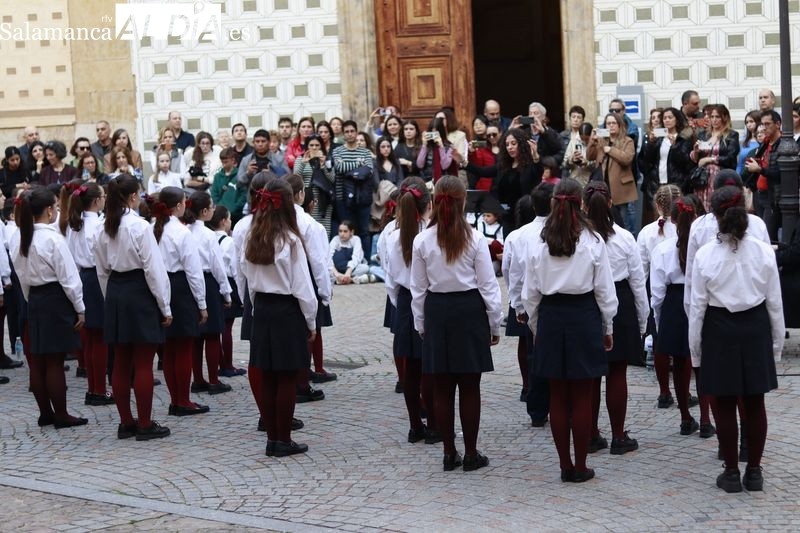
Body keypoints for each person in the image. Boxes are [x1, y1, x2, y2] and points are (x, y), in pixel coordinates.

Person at [521, 178, 618, 483]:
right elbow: (605, 290)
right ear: (581, 204)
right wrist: (608, 325)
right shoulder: (593, 241)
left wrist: (537, 326)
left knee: (558, 397)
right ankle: (580, 463)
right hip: (583, 316)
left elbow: (530, 293)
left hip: (551, 316)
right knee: (582, 395)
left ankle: (565, 465)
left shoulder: (538, 241)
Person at [689, 186, 784, 493]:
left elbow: (697, 308)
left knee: (725, 403)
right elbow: (775, 304)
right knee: (755, 402)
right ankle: (754, 471)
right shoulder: (763, 251)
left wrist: (696, 353)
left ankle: (731, 471)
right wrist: (776, 348)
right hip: (755, 326)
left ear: (715, 217)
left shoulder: (705, 255)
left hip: (720, 328)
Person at [410, 175, 502, 471]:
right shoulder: (475, 238)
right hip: (468, 309)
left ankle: (449, 452)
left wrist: (421, 323)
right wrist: (494, 322)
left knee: (443, 386)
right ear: (463, 201)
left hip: (438, 309)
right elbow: (489, 286)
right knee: (470, 385)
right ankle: (471, 453)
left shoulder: (422, 239)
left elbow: (418, 289)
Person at [239, 178, 318, 457]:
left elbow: (247, 279)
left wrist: (254, 306)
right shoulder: (290, 240)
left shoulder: (252, 236)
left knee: (269, 376)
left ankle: (273, 437)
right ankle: (283, 439)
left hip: (262, 309)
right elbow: (303, 287)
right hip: (286, 311)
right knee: (285, 378)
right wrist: (311, 322)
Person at [12, 186, 87, 428]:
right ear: (47, 210)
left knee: (39, 360)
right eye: (55, 206)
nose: (56, 210)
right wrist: (80, 307)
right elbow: (69, 278)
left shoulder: (21, 238)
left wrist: (30, 299)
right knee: (54, 361)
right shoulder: (53, 239)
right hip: (55, 298)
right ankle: (62, 414)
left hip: (35, 298)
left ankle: (45, 412)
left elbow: (22, 277)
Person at [583, 181, 648, 455]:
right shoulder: (624, 237)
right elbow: (638, 282)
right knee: (617, 372)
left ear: (584, 206)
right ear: (610, 203)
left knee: (591, 376)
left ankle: (592, 433)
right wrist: (643, 320)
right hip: (620, 302)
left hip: (588, 303)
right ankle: (619, 435)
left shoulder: (580, 238)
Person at [384, 177, 438, 445]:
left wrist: (401, 302)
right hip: (430, 299)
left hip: (405, 301)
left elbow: (390, 279)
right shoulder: (432, 234)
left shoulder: (391, 236)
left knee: (411, 370)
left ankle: (415, 424)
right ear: (428, 203)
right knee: (430, 368)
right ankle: (434, 423)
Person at [147, 187, 210, 417]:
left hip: (161, 286)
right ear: (179, 206)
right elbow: (194, 271)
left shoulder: (154, 229)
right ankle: (182, 400)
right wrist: (202, 304)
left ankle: (176, 399)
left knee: (170, 349)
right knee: (182, 348)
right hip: (180, 288)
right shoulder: (181, 233)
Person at [650, 195, 706, 436]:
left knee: (681, 365)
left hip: (673, 303)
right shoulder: (705, 249)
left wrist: (660, 320)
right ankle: (705, 419)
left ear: (671, 219)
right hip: (698, 298)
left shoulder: (662, 250)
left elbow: (658, 293)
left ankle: (686, 417)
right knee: (703, 366)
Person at [507, 182, 554, 424]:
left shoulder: (519, 235)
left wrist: (517, 305)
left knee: (535, 354)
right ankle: (546, 407)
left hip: (530, 300)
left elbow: (512, 273)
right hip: (549, 299)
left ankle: (538, 409)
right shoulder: (524, 235)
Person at [181, 191, 233, 395]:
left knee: (196, 336)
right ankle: (213, 379)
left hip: (189, 283)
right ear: (204, 211)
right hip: (208, 282)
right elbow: (218, 266)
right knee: (212, 334)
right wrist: (226, 293)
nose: (213, 210)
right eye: (211, 207)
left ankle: (198, 378)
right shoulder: (208, 235)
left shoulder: (184, 231)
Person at [285, 174, 336, 386]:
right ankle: (303, 379)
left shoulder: (270, 220)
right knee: (309, 330)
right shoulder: (310, 224)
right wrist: (325, 292)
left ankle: (300, 374)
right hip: (306, 279)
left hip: (282, 281)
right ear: (300, 194)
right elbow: (319, 262)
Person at [66, 182, 113, 406]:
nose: (105, 199)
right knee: (100, 338)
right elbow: (105, 257)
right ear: (96, 201)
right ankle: (99, 389)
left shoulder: (76, 225)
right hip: (97, 278)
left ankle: (94, 388)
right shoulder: (98, 225)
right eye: (103, 196)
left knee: (92, 338)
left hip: (84, 277)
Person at [636, 184, 681, 406]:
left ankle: (664, 391)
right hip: (679, 290)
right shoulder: (685, 227)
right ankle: (681, 391)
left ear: (657, 205)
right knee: (684, 346)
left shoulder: (646, 233)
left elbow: (641, 268)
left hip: (654, 288)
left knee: (660, 342)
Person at [463, 128, 544, 236]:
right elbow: (482, 171)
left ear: (522, 144)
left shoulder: (530, 164)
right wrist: (464, 162)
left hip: (526, 216)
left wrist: (536, 156)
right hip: (507, 216)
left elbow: (539, 171)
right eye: (507, 145)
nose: (510, 147)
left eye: (513, 143)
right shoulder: (503, 166)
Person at [207, 205, 246, 377]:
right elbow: (235, 269)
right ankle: (227, 365)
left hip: (212, 283)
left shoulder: (207, 238)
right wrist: (241, 294)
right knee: (226, 329)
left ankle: (222, 362)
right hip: (228, 282)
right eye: (229, 218)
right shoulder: (229, 242)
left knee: (217, 328)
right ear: (223, 221)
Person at [587, 113, 638, 234]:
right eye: (608, 123)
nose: (611, 126)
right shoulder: (601, 141)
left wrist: (610, 149)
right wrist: (592, 141)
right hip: (604, 188)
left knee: (625, 225)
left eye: (613, 123)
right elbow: (589, 156)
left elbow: (627, 159)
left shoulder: (627, 141)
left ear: (620, 125)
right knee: (607, 223)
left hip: (622, 189)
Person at [690, 104, 740, 211]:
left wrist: (710, 159)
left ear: (725, 117)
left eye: (717, 117)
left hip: (720, 176)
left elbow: (730, 157)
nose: (714, 120)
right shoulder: (703, 134)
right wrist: (696, 151)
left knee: (718, 206)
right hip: (703, 178)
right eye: (712, 117)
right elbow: (695, 159)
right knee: (701, 208)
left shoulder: (731, 135)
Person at [640, 107, 696, 195]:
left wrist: (675, 146)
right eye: (664, 118)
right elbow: (648, 159)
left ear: (677, 120)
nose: (667, 120)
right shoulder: (659, 137)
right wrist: (651, 143)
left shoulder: (683, 138)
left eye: (670, 117)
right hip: (657, 182)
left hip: (677, 182)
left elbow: (685, 161)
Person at [294, 134, 335, 235]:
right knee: (307, 230)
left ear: (321, 146)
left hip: (323, 200)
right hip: (306, 199)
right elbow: (295, 178)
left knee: (323, 231)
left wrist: (323, 166)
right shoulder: (300, 159)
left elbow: (332, 179)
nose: (314, 148)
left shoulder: (327, 159)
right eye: (311, 145)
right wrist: (303, 163)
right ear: (307, 147)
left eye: (317, 145)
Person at [210, 148, 247, 224]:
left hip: (236, 215)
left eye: (226, 162)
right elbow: (214, 194)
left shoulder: (240, 176)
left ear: (233, 160)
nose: (224, 164)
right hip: (222, 214)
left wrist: (234, 208)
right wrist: (220, 208)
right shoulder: (217, 176)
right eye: (222, 162)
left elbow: (243, 195)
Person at [562, 122, 595, 187]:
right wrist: (572, 159)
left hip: (591, 181)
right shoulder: (573, 142)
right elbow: (564, 163)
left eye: (587, 139)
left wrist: (587, 163)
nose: (584, 141)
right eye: (582, 139)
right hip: (575, 180)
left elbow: (600, 164)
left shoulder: (596, 143)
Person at [736, 110, 762, 175]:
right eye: (747, 122)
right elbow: (740, 164)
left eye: (751, 121)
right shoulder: (744, 141)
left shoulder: (763, 140)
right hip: (743, 177)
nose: (748, 125)